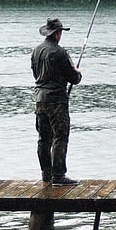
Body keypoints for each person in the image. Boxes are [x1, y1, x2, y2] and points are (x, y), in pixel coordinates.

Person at [31, 17, 82, 185]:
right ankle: (58, 175)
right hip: (57, 101)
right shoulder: (60, 53)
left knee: (43, 138)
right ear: (58, 33)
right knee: (60, 136)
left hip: (40, 100)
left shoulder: (36, 51)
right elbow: (74, 78)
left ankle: (46, 173)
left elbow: (35, 74)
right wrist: (77, 72)